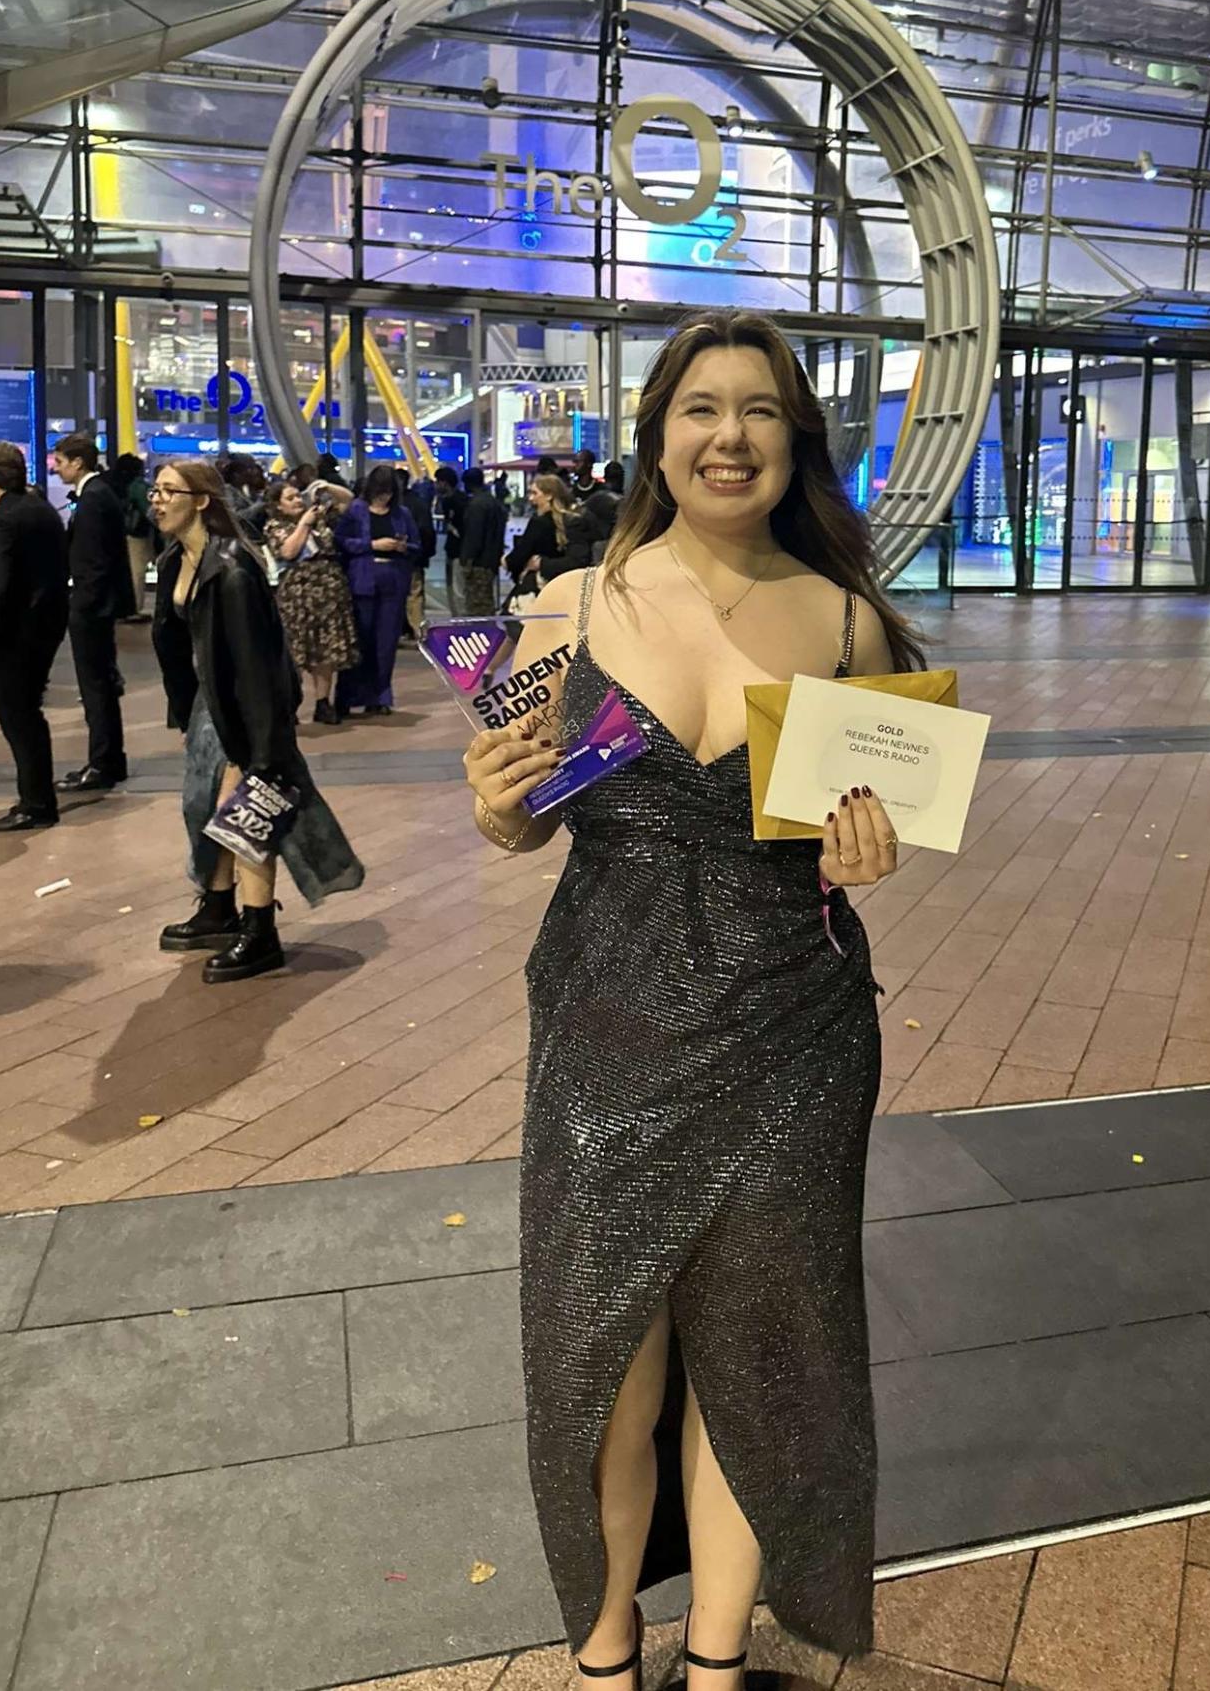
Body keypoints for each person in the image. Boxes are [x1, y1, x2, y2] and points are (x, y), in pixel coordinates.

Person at [461, 310, 913, 1682]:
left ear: (796, 438)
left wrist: (868, 846)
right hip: (605, 1020)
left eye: (761, 411)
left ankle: (715, 1656)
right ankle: (606, 1642)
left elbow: (880, 814)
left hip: (797, 1022)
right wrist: (494, 808)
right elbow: (518, 821)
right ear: (656, 436)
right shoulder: (561, 607)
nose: (731, 436)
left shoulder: (851, 621)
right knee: (602, 1340)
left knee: (763, 1348)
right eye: (701, 409)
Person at [151, 462, 363, 979]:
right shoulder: (177, 558)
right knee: (201, 808)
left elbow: (258, 669)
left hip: (245, 709)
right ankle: (218, 907)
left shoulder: (232, 573)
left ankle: (259, 929)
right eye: (154, 490)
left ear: (201, 501)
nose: (156, 500)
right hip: (209, 704)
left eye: (168, 491)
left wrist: (262, 754)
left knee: (244, 812)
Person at [0, 441, 70, 832]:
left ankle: (35, 802)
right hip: (44, 628)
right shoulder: (42, 511)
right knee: (30, 715)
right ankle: (38, 797)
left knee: (18, 719)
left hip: (11, 636)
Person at [50, 432, 135, 795]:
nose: (56, 467)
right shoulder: (97, 494)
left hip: (93, 607)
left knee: (96, 686)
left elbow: (94, 560)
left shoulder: (95, 497)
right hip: (97, 604)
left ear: (77, 462)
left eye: (60, 460)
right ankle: (108, 759)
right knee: (100, 685)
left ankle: (103, 762)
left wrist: (82, 605)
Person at [263, 477, 360, 725]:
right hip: (298, 596)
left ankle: (322, 703)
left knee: (326, 651)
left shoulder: (320, 518)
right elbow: (288, 552)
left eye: (298, 496)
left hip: (329, 591)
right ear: (278, 505)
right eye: (290, 498)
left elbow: (349, 500)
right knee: (295, 651)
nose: (297, 501)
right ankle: (289, 704)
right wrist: (304, 524)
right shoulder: (275, 526)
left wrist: (325, 487)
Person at [335, 465, 421, 716]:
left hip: (392, 582)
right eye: (382, 491)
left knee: (386, 643)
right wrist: (371, 544)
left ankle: (380, 695)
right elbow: (341, 541)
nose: (385, 497)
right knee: (360, 641)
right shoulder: (355, 511)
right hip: (363, 581)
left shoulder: (401, 514)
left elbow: (417, 544)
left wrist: (404, 547)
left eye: (390, 492)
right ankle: (348, 696)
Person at [505, 473, 584, 594]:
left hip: (541, 588)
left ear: (549, 496)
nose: (531, 499)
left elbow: (518, 557)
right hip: (568, 587)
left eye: (534, 493)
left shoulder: (539, 524)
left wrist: (505, 561)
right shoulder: (574, 521)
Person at [111, 452, 155, 622]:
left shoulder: (114, 485)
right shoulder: (138, 486)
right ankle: (134, 608)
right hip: (136, 533)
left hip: (118, 533)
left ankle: (123, 606)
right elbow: (148, 510)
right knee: (137, 571)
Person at [458, 468, 508, 614]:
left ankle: (482, 633)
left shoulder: (476, 505)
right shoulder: (493, 502)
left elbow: (474, 536)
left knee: (477, 605)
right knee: (486, 600)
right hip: (491, 559)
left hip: (479, 563)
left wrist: (467, 559)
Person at [403, 467, 438, 637]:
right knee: (415, 595)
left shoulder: (390, 505)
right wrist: (426, 553)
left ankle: (402, 630)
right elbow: (427, 531)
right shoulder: (418, 503)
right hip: (414, 557)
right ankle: (418, 631)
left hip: (393, 559)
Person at [436, 464, 468, 611]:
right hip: (452, 549)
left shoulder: (457, 501)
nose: (436, 485)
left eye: (438, 481)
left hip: (458, 552)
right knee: (453, 588)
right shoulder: (449, 499)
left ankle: (461, 624)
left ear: (445, 482)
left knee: (458, 590)